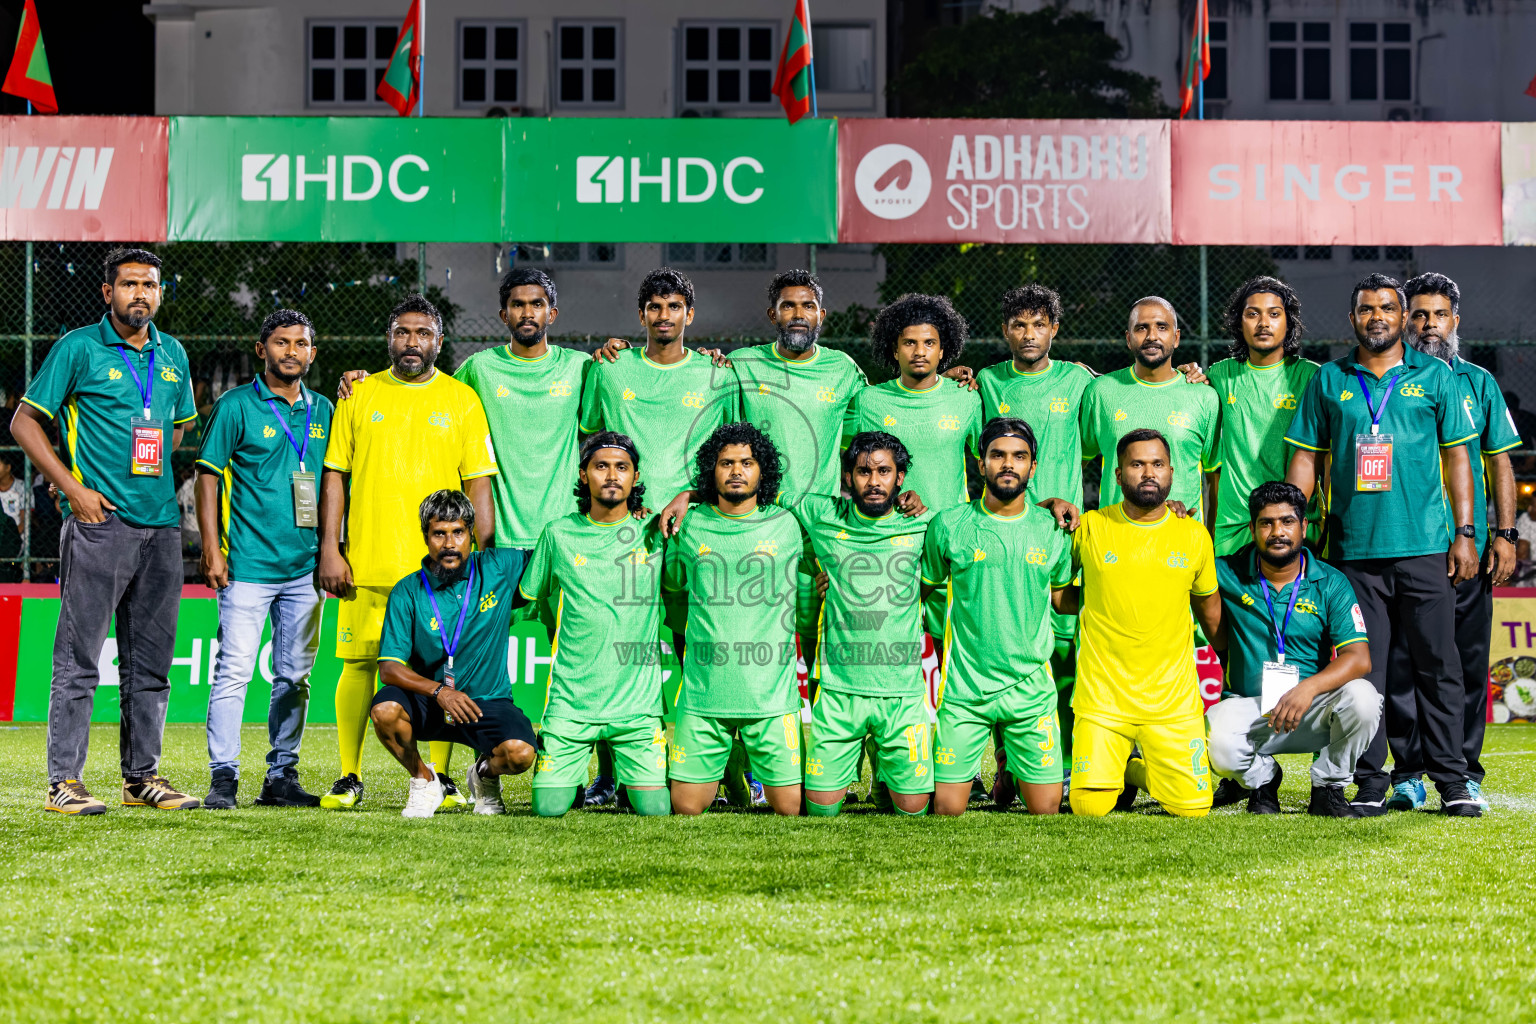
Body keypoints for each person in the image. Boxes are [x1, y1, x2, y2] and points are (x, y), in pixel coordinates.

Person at [1284, 273, 1482, 817]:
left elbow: (1459, 459)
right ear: (1352, 319)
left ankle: (1453, 782)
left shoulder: (1436, 376)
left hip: (1423, 547)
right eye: (1366, 308)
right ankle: (1370, 782)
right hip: (1353, 554)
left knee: (1438, 666)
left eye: (1388, 308)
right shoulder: (1329, 379)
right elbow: (1305, 457)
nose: (1377, 316)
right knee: (1366, 674)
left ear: (1401, 317)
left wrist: (1465, 533)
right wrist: (1296, 525)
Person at [14, 248, 201, 814]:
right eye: (128, 285)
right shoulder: (79, 347)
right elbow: (24, 422)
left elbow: (174, 434)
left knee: (151, 665)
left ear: (160, 293)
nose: (140, 293)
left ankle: (141, 777)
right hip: (100, 525)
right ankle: (63, 782)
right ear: (107, 293)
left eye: (149, 285)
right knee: (80, 658)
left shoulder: (174, 355)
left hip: (163, 528)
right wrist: (73, 487)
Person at [317, 294, 499, 811]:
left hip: (438, 571)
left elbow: (478, 484)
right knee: (359, 665)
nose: (412, 342)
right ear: (389, 338)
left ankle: (437, 778)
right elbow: (335, 475)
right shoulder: (359, 394)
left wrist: (480, 559)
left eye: (422, 334)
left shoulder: (461, 400)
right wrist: (330, 548)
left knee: (444, 670)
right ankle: (349, 776)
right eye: (402, 332)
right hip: (368, 561)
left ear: (439, 341)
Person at [575, 268, 732, 806]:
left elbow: (726, 453)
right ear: (641, 314)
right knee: (618, 650)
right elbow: (594, 439)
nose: (664, 316)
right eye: (655, 306)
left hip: (697, 531)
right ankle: (609, 771)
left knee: (702, 648)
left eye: (674, 306)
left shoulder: (718, 375)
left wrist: (690, 494)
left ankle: (711, 766)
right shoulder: (611, 371)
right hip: (625, 535)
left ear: (691, 315)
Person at [193, 309, 333, 809]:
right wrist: (212, 548)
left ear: (312, 353)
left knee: (294, 676)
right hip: (247, 568)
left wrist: (332, 551)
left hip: (306, 568)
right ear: (262, 350)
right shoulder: (236, 406)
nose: (291, 351)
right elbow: (206, 476)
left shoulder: (324, 410)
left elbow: (335, 484)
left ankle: (281, 776)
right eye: (281, 342)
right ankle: (223, 776)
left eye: (301, 342)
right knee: (233, 672)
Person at [1393, 272, 1520, 811]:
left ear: (1455, 322)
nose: (1427, 326)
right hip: (1411, 546)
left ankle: (1464, 771)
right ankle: (1409, 771)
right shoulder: (1390, 378)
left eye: (1437, 315)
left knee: (1465, 664)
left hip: (1469, 551)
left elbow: (1500, 462)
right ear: (1403, 321)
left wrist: (1506, 535)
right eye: (1418, 315)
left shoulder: (1479, 384)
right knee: (1403, 662)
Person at [975, 284, 1093, 807]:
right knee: (1003, 649)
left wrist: (1188, 373)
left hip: (1061, 535)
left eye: (1038, 324)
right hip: (1001, 532)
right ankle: (1006, 767)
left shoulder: (1080, 381)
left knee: (1064, 657)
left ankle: (1061, 769)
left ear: (1054, 330)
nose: (1028, 334)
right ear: (1006, 331)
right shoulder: (984, 382)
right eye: (1019, 325)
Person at [921, 418, 1076, 816]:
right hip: (966, 692)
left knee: (1047, 809)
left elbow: (1060, 598)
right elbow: (919, 589)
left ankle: (1009, 771)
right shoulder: (949, 525)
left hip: (1031, 692)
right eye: (998, 455)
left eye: (1019, 457)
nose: (1008, 464)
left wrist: (1117, 593)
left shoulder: (1052, 529)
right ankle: (1006, 768)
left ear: (1033, 467)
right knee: (947, 809)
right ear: (981, 464)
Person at [1065, 429, 1223, 818]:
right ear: (1118, 475)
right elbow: (1059, 596)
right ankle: (1123, 769)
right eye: (1137, 464)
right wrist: (1048, 503)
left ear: (1172, 472)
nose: (1148, 472)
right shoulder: (1088, 528)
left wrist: (1231, 663)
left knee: (1193, 810)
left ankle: (1132, 771)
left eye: (1156, 464)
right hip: (1103, 700)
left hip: (1171, 703)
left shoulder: (1193, 534)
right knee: (1088, 807)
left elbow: (1209, 608)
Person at [520, 432, 672, 818]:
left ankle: (626, 780)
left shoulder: (657, 532)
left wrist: (685, 496)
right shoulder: (558, 533)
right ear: (584, 474)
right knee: (548, 808)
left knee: (654, 809)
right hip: (571, 704)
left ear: (636, 477)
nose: (611, 475)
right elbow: (528, 597)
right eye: (600, 466)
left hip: (637, 709)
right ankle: (567, 779)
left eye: (621, 467)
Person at [1205, 482, 1378, 817]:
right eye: (1266, 523)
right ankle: (1263, 781)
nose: (1277, 531)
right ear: (1252, 528)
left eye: (1286, 521)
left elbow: (1359, 657)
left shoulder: (1331, 581)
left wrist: (1308, 688)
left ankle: (1328, 786)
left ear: (1304, 526)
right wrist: (1175, 520)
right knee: (1215, 735)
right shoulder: (1227, 572)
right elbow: (1184, 561)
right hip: (1252, 708)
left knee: (1364, 698)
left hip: (1311, 707)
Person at [661, 423, 808, 816]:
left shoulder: (788, 524)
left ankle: (740, 761)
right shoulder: (687, 526)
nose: (737, 471)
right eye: (726, 463)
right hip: (705, 693)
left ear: (764, 471)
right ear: (712, 469)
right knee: (685, 809)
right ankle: (730, 764)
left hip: (771, 696)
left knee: (791, 809)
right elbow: (674, 591)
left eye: (747, 462)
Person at [371, 490, 537, 818]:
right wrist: (439, 691)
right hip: (429, 703)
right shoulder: (408, 590)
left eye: (458, 532)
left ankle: (484, 776)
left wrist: (622, 514)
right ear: (426, 537)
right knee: (386, 709)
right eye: (439, 533)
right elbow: (389, 669)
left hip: (487, 701)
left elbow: (557, 549)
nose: (449, 544)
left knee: (520, 754)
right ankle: (424, 780)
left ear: (471, 534)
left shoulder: (499, 567)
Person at [1183, 277, 1321, 557]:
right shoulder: (1220, 376)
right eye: (1252, 314)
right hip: (1234, 527)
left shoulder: (1311, 377)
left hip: (1292, 526)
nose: (1263, 323)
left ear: (1288, 322)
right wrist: (1186, 375)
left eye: (1274, 314)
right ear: (1239, 322)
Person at [1080, 297, 1219, 521]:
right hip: (1116, 538)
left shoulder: (1205, 397)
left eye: (1162, 327)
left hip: (1181, 541)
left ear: (1176, 338)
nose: (1152, 336)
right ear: (1128, 338)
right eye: (1142, 328)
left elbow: (1215, 477)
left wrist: (1209, 541)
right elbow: (1077, 464)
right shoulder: (1100, 392)